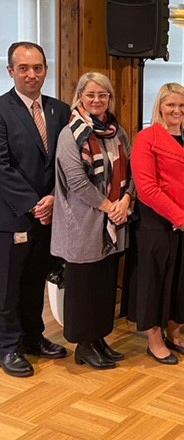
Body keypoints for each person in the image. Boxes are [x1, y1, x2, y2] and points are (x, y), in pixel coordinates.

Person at [51, 72, 133, 369]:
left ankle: (99, 339)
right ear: (80, 98)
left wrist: (126, 200)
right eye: (91, 95)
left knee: (104, 283)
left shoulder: (116, 131)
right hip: (83, 223)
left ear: (110, 99)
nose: (97, 100)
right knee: (84, 285)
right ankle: (84, 345)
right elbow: (76, 181)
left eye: (103, 95)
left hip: (112, 221)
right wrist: (110, 206)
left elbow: (131, 169)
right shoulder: (69, 134)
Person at [0, 42, 70, 377]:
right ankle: (8, 346)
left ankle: (33, 337)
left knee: (34, 281)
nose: (32, 74)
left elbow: (68, 162)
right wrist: (34, 204)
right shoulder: (1, 110)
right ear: (10, 71)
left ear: (46, 69)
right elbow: (2, 167)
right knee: (8, 285)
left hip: (51, 214)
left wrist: (55, 198)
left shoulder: (60, 110)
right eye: (24, 68)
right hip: (13, 215)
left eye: (38, 67)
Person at [129, 83, 184, 364]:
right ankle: (154, 338)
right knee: (155, 280)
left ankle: (175, 332)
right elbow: (146, 187)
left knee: (183, 279)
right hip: (158, 222)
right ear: (160, 106)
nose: (176, 110)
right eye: (170, 105)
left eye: (182, 105)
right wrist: (178, 216)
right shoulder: (146, 138)